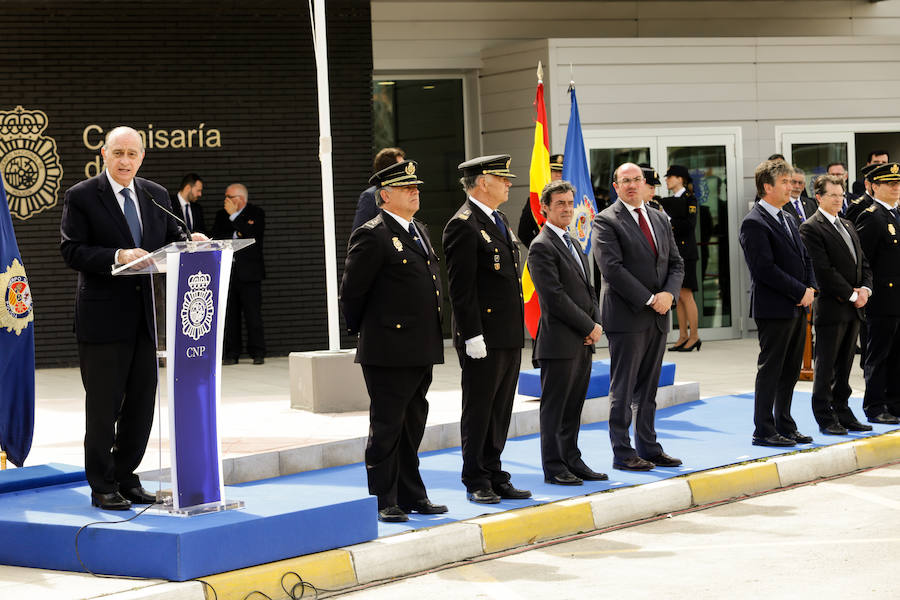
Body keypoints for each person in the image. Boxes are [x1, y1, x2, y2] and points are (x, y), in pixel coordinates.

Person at [60, 126, 204, 510]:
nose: (125, 160)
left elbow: (174, 236)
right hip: (103, 321)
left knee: (141, 407)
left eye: (132, 154)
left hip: (148, 320)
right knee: (104, 408)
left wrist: (194, 243)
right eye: (118, 153)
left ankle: (127, 477)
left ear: (142, 157)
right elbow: (71, 250)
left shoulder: (156, 195)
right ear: (104, 154)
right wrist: (117, 256)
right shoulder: (83, 196)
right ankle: (102, 484)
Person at [339, 160, 448, 523]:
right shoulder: (372, 233)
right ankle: (383, 497)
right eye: (406, 187)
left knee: (413, 424)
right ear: (385, 195)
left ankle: (411, 494)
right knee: (387, 426)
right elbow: (352, 293)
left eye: (416, 186)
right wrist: (371, 333)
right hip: (388, 348)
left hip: (420, 346)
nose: (415, 191)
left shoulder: (419, 229)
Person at [443, 154, 531, 503]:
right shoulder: (463, 224)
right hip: (483, 335)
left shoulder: (498, 219)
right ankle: (476, 477)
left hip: (507, 331)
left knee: (501, 408)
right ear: (482, 182)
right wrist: (472, 334)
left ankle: (495, 471)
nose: (509, 183)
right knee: (480, 408)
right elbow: (461, 289)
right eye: (502, 178)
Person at [591, 162, 684, 471]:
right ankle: (622, 452)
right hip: (627, 316)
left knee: (648, 390)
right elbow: (612, 269)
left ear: (645, 184)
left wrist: (669, 296)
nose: (631, 185)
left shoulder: (658, 217)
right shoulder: (606, 221)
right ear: (616, 187)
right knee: (623, 389)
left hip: (658, 316)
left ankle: (649, 446)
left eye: (636, 180)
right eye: (624, 181)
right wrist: (649, 299)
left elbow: (676, 263)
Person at [528, 180, 606, 485]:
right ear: (545, 208)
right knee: (555, 410)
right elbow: (554, 297)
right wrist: (589, 326)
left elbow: (589, 289)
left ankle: (573, 460)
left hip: (583, 342)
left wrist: (596, 323)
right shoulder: (541, 246)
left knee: (573, 408)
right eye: (560, 203)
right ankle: (555, 466)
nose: (567, 208)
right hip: (559, 343)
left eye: (570, 203)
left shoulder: (574, 242)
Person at [739, 159, 816, 447]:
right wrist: (800, 291)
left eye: (791, 181)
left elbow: (805, 257)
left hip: (797, 305)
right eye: (784, 182)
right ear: (766, 187)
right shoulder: (754, 222)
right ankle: (764, 429)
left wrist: (810, 288)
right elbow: (764, 269)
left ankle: (785, 423)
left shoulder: (789, 217)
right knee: (771, 368)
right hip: (774, 307)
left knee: (791, 369)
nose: (791, 187)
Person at [798, 174, 873, 435]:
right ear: (819, 197)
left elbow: (862, 262)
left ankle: (843, 411)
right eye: (833, 195)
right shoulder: (811, 227)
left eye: (841, 195)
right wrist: (852, 295)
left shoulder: (848, 225)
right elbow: (823, 270)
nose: (839, 200)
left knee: (844, 366)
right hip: (832, 307)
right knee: (826, 367)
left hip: (854, 308)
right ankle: (825, 416)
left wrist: (865, 288)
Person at [854, 162, 900, 425]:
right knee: (879, 355)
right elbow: (863, 260)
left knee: (897, 356)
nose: (895, 187)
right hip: (882, 299)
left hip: (898, 299)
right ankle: (874, 405)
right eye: (889, 183)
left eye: (897, 183)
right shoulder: (871, 216)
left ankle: (894, 402)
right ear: (874, 186)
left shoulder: (897, 214)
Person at [212, 184, 266, 365]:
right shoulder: (221, 215)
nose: (226, 200)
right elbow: (218, 236)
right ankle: (231, 353)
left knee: (253, 315)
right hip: (229, 271)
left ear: (240, 199)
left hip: (250, 273)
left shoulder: (256, 213)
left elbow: (252, 236)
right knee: (230, 316)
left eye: (229, 196)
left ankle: (257, 352)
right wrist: (237, 231)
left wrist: (235, 218)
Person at [662, 165, 701, 352]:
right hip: (674, 251)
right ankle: (683, 335)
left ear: (680, 179)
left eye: (670, 177)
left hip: (686, 252)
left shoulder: (689, 199)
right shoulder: (669, 201)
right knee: (677, 296)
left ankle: (694, 336)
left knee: (686, 294)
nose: (667, 180)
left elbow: (689, 224)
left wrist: (667, 221)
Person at [352, 147, 405, 231]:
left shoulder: (406, 194)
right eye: (401, 167)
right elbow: (359, 232)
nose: (405, 171)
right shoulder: (370, 196)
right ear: (390, 170)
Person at [518, 153, 563, 248]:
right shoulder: (535, 200)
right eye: (554, 170)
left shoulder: (575, 200)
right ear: (547, 173)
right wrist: (540, 249)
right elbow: (523, 232)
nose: (558, 174)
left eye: (561, 171)